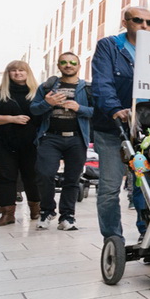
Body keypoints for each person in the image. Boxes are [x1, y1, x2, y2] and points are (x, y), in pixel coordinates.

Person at [91, 7, 150, 241]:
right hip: (113, 129)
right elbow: (102, 83)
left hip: (149, 130)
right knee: (109, 188)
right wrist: (115, 109)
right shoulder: (109, 46)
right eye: (138, 20)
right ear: (125, 22)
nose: (145, 26)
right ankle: (113, 238)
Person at [31, 52, 93, 231]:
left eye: (73, 62)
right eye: (64, 62)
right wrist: (47, 103)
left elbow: (98, 111)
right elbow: (34, 110)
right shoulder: (46, 87)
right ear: (58, 66)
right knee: (44, 174)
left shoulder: (87, 88)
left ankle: (67, 216)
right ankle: (47, 210)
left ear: (79, 66)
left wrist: (79, 108)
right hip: (50, 137)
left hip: (76, 138)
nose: (68, 65)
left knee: (72, 179)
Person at [0, 60, 42, 227]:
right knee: (5, 177)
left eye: (21, 70)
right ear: (8, 74)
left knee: (31, 176)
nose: (17, 73)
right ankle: (7, 213)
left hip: (31, 141)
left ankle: (35, 208)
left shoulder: (38, 92)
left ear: (28, 73)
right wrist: (12, 119)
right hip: (3, 140)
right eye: (13, 71)